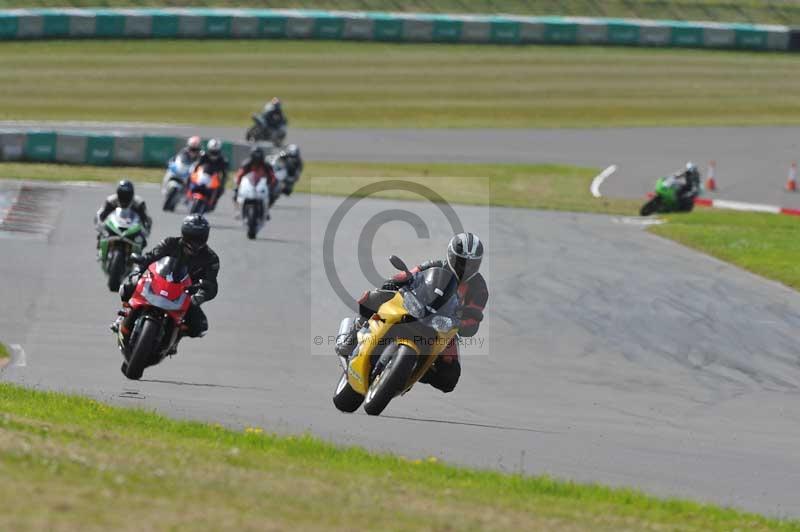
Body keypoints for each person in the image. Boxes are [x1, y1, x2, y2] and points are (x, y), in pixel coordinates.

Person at [336, 233, 488, 394]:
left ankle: (410, 369)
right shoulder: (434, 265)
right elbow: (410, 274)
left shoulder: (479, 289)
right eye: (462, 261)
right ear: (450, 255)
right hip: (414, 308)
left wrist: (463, 323)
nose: (465, 267)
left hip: (443, 326)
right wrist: (396, 281)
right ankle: (353, 332)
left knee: (449, 378)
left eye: (471, 264)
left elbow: (474, 317)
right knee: (376, 296)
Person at [114, 215, 220, 359]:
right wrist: (138, 270)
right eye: (192, 236)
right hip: (159, 283)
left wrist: (199, 296)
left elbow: (212, 284)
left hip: (185, 293)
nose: (195, 241)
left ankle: (176, 337)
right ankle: (124, 314)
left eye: (199, 237)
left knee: (199, 326)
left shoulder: (211, 258)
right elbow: (151, 257)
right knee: (128, 286)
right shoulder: (170, 243)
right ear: (184, 234)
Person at [233, 147, 276, 219]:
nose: (257, 158)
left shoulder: (266, 165)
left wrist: (271, 184)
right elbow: (240, 174)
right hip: (249, 185)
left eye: (258, 156)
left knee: (272, 194)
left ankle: (266, 210)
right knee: (235, 192)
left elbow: (272, 176)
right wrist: (238, 183)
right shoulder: (247, 164)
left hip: (262, 185)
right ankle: (238, 210)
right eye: (255, 156)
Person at [194, 139, 229, 210]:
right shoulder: (203, 156)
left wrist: (222, 183)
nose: (213, 154)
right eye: (212, 152)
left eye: (215, 152)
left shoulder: (223, 160)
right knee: (190, 177)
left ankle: (212, 203)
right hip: (203, 174)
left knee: (220, 189)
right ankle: (186, 193)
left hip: (214, 177)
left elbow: (224, 173)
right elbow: (197, 165)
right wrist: (194, 172)